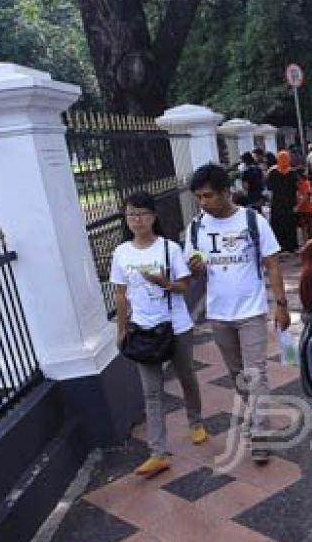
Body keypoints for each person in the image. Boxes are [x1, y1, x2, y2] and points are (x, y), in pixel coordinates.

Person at [184, 164, 291, 463]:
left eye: (207, 197)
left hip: (251, 311)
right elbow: (194, 266)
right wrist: (196, 269)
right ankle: (256, 415)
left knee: (255, 373)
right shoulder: (196, 227)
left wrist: (281, 306)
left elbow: (272, 264)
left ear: (225, 192)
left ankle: (260, 433)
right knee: (237, 375)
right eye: (198, 198)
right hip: (219, 313)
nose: (203, 203)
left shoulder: (251, 221)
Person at [111, 191, 203, 478]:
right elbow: (120, 295)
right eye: (131, 214)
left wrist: (165, 283)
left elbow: (184, 286)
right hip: (142, 330)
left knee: (186, 376)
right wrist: (122, 329)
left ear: (153, 216)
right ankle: (158, 453)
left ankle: (196, 422)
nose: (136, 219)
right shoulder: (121, 252)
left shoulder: (169, 249)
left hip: (175, 326)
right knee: (151, 393)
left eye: (142, 213)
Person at [266, 150, 300, 253]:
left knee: (278, 225)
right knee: (290, 225)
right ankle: (291, 246)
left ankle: (279, 246)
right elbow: (297, 188)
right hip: (289, 203)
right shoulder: (293, 173)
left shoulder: (272, 172)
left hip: (277, 203)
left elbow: (269, 188)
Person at [295, 171, 312, 245]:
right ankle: (305, 243)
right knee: (303, 227)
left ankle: (310, 244)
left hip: (307, 209)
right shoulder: (296, 184)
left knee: (308, 228)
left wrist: (298, 206)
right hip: (301, 210)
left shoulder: (306, 183)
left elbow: (306, 196)